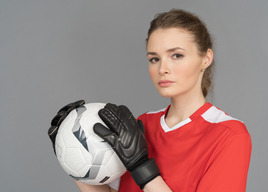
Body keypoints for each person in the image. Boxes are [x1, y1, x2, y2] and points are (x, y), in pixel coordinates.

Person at [48, 9, 252, 192]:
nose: (162, 69)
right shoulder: (143, 123)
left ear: (206, 58)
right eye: (154, 59)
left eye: (177, 55)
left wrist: (141, 168)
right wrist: (72, 154)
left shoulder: (230, 135)